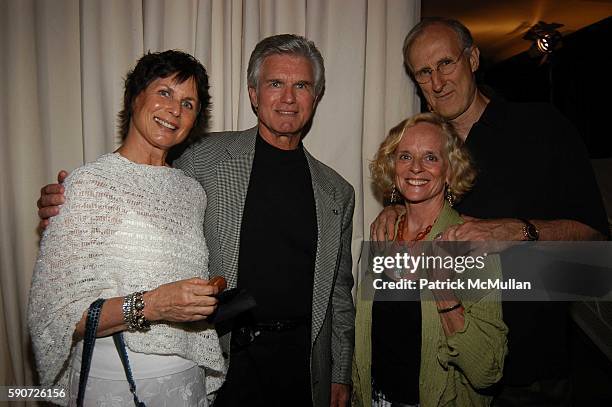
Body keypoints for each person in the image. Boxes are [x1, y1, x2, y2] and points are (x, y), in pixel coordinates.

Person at [37, 35, 355, 407]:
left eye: (301, 85)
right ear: (254, 93)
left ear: (315, 97)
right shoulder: (202, 157)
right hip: (225, 357)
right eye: (275, 84)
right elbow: (140, 178)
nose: (288, 98)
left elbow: (339, 295)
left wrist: (339, 373)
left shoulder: (337, 191)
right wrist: (71, 199)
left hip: (301, 363)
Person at [371, 18, 609, 405]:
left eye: (446, 63)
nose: (438, 82)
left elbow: (596, 246)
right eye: (424, 72)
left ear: (473, 58)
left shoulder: (542, 128)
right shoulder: (420, 151)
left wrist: (518, 231)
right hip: (434, 373)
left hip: (524, 376)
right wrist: (397, 207)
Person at [29, 50, 226, 406]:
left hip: (186, 382)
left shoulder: (192, 192)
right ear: (135, 97)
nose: (174, 110)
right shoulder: (90, 185)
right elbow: (55, 318)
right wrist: (151, 306)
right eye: (164, 92)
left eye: (188, 103)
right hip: (116, 383)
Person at [352, 112, 507, 406]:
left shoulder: (471, 246)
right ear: (392, 166)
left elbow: (488, 370)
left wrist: (444, 292)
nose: (416, 168)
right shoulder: (384, 232)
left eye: (431, 158)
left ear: (450, 171)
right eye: (405, 156)